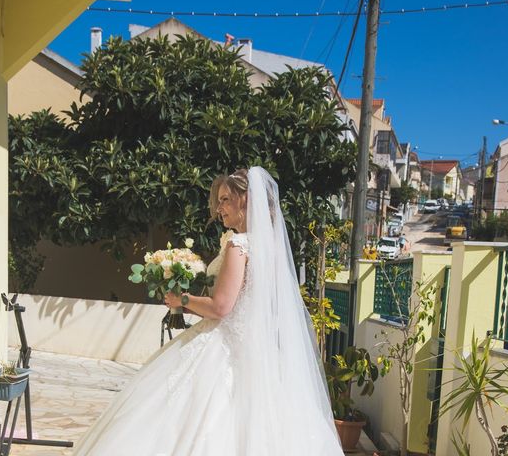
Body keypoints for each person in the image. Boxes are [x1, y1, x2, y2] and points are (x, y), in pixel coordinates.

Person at [74, 167, 344, 455]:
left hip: (224, 345)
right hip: (259, 350)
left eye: (226, 200)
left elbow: (221, 306)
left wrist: (183, 300)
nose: (219, 208)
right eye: (219, 200)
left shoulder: (239, 245)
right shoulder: (270, 248)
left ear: (245, 200)